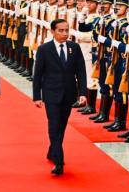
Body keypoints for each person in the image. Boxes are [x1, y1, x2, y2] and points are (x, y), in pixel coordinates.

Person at [32, 18, 87, 175]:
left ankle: (52, 149)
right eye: (60, 31)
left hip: (69, 94)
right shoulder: (44, 49)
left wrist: (82, 92)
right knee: (54, 124)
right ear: (52, 32)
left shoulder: (74, 48)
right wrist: (37, 96)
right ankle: (59, 160)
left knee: (61, 125)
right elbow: (38, 75)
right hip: (51, 94)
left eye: (66, 30)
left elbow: (80, 71)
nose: (64, 34)